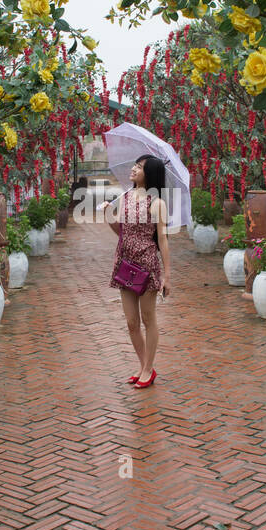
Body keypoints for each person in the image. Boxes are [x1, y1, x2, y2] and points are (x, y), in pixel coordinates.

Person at [101, 155, 171, 389]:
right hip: (125, 262)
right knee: (132, 322)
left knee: (148, 319)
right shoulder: (126, 197)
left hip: (147, 263)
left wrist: (166, 275)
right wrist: (108, 214)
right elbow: (121, 232)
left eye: (139, 167)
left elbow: (162, 239)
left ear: (149, 173)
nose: (133, 169)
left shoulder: (157, 203)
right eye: (134, 165)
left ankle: (148, 369)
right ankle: (144, 367)